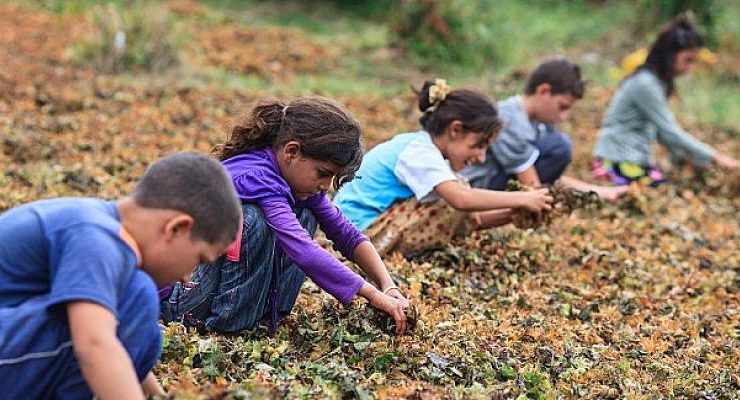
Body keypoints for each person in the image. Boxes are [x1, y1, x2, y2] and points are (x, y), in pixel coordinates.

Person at [161, 96, 410, 336]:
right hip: (181, 300)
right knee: (252, 220)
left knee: (306, 213)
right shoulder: (257, 177)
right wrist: (373, 295)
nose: (325, 185)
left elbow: (346, 234)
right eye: (322, 173)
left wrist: (388, 285)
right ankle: (228, 327)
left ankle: (266, 316)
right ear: (292, 152)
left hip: (207, 291)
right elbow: (303, 250)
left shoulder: (296, 182)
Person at [0, 152, 242, 399]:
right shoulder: (95, 238)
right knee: (139, 296)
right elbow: (95, 344)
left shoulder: (102, 228)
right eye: (198, 260)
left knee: (143, 320)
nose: (187, 278)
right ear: (177, 228)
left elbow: (123, 345)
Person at [333, 79, 554, 257]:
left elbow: (465, 215)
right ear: (455, 130)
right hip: (355, 234)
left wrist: (512, 213)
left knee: (453, 197)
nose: (480, 157)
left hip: (362, 228)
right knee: (453, 198)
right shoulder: (419, 152)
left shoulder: (427, 151)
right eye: (478, 146)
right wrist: (522, 198)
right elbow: (461, 201)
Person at [592, 16, 740, 186]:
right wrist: (717, 158)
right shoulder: (645, 84)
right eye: (688, 60)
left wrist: (685, 157)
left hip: (633, 158)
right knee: (663, 192)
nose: (690, 68)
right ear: (670, 54)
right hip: (617, 160)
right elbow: (670, 130)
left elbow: (662, 133)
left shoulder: (656, 83)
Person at [462, 58, 628, 201]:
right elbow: (531, 183)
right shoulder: (510, 119)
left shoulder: (539, 124)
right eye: (561, 107)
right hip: (478, 187)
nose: (563, 117)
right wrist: (551, 209)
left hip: (502, 182)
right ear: (543, 91)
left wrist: (600, 192)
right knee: (560, 146)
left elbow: (547, 177)